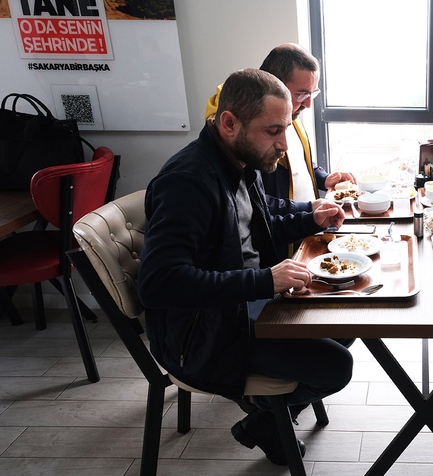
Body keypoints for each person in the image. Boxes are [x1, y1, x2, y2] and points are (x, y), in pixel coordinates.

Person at [139, 68, 353, 466]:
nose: (283, 144)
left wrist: (310, 217)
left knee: (346, 318)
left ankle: (268, 420)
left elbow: (263, 214)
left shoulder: (236, 159)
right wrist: (263, 280)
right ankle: (267, 418)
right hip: (202, 335)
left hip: (241, 307)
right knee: (335, 366)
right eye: (273, 131)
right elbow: (159, 282)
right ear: (229, 122)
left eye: (286, 128)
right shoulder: (187, 182)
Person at [206, 43, 356, 211]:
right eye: (301, 94)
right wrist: (306, 209)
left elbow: (300, 162)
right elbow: (250, 199)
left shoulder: (291, 111)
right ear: (275, 84)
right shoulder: (245, 126)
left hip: (302, 225)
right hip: (283, 229)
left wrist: (324, 178)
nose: (307, 104)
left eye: (312, 94)